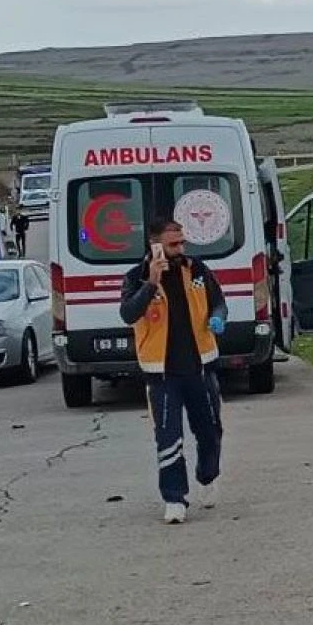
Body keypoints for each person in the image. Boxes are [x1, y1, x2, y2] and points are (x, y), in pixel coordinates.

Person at [119, 219, 227, 525]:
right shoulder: (135, 277)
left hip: (200, 367)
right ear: (155, 245)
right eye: (173, 244)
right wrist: (151, 282)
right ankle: (174, 498)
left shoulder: (197, 270)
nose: (180, 249)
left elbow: (219, 302)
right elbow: (128, 314)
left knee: (210, 432)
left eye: (182, 242)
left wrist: (218, 317)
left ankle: (207, 475)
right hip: (162, 374)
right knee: (169, 437)